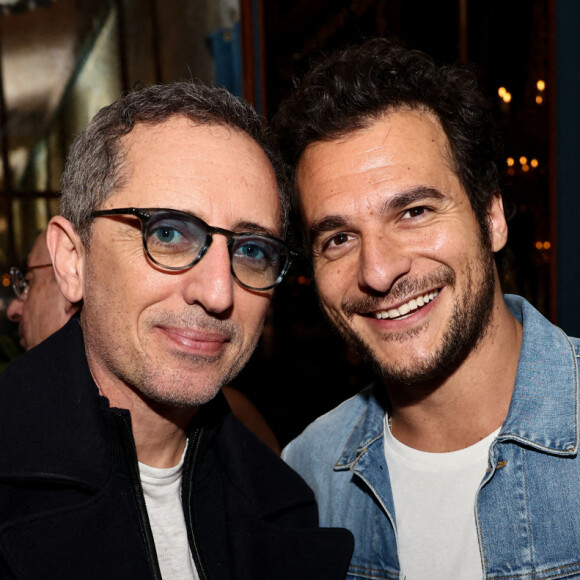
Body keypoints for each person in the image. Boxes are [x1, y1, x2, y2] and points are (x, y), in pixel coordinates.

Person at [0, 81, 353, 579]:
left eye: (251, 250)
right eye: (167, 233)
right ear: (72, 260)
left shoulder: (285, 503)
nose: (217, 293)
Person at [275, 38, 580, 579]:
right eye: (339, 239)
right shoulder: (309, 474)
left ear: (492, 217)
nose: (377, 271)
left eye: (414, 211)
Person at [7, 230, 282, 454]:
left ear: (74, 269)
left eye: (28, 282)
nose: (14, 309)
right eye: (167, 235)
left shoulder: (236, 432)